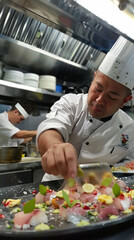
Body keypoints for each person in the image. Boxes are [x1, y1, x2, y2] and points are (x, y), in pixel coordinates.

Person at [36, 36, 134, 181]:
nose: (99, 100)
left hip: (101, 192)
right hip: (57, 186)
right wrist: (54, 146)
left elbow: (127, 163)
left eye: (112, 97)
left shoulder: (128, 127)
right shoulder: (71, 103)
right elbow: (51, 129)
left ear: (125, 101)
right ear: (93, 79)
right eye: (98, 88)